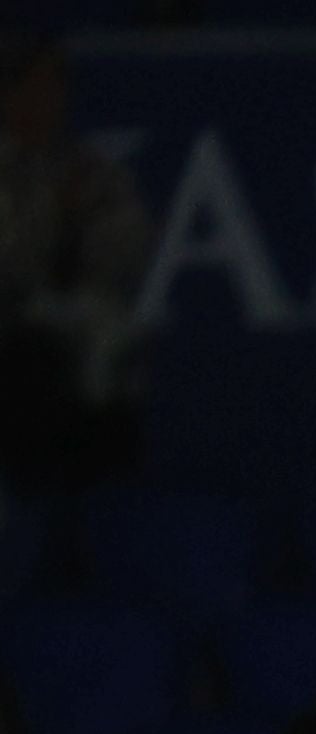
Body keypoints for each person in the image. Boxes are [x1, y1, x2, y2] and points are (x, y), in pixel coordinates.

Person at [0, 33, 151, 487]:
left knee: (107, 332)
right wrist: (54, 221)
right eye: (32, 86)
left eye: (54, 87)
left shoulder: (89, 170)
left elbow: (131, 244)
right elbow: (14, 262)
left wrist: (75, 232)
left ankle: (83, 499)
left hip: (68, 328)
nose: (44, 100)